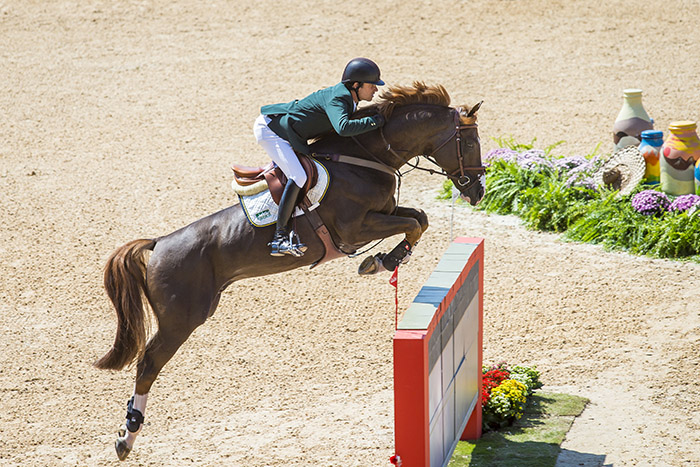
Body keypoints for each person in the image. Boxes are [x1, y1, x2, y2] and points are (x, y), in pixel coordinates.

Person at [254, 57, 387, 257]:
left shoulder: (350, 100)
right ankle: (279, 238)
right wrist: (374, 122)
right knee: (298, 176)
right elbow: (343, 128)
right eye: (372, 85)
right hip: (271, 131)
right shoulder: (339, 98)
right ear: (356, 85)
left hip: (290, 132)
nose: (376, 89)